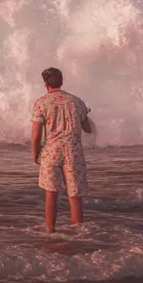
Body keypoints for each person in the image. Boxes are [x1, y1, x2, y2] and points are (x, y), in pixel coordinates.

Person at [31, 66, 92, 232]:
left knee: (51, 195)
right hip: (74, 151)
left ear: (46, 84)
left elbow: (36, 136)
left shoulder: (41, 102)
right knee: (75, 196)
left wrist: (35, 153)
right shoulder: (77, 101)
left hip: (52, 151)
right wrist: (85, 113)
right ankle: (79, 233)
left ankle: (50, 232)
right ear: (62, 81)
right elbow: (88, 129)